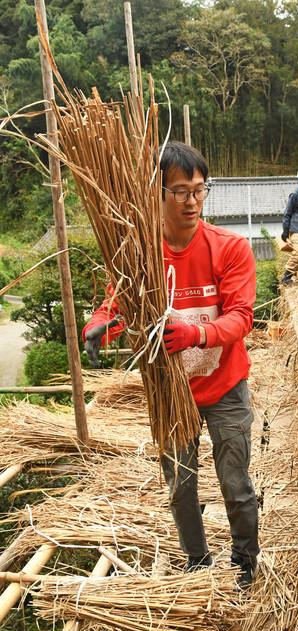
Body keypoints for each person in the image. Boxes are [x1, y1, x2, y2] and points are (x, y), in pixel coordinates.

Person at [82, 141, 259, 589]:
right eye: (181, 191)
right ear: (156, 194)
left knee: (236, 485)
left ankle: (244, 561)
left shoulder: (230, 247)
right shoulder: (140, 256)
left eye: (200, 190)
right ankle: (197, 563)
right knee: (180, 488)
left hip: (224, 386)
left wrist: (196, 333)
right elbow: (117, 303)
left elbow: (241, 318)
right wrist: (100, 324)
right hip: (170, 391)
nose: (193, 201)